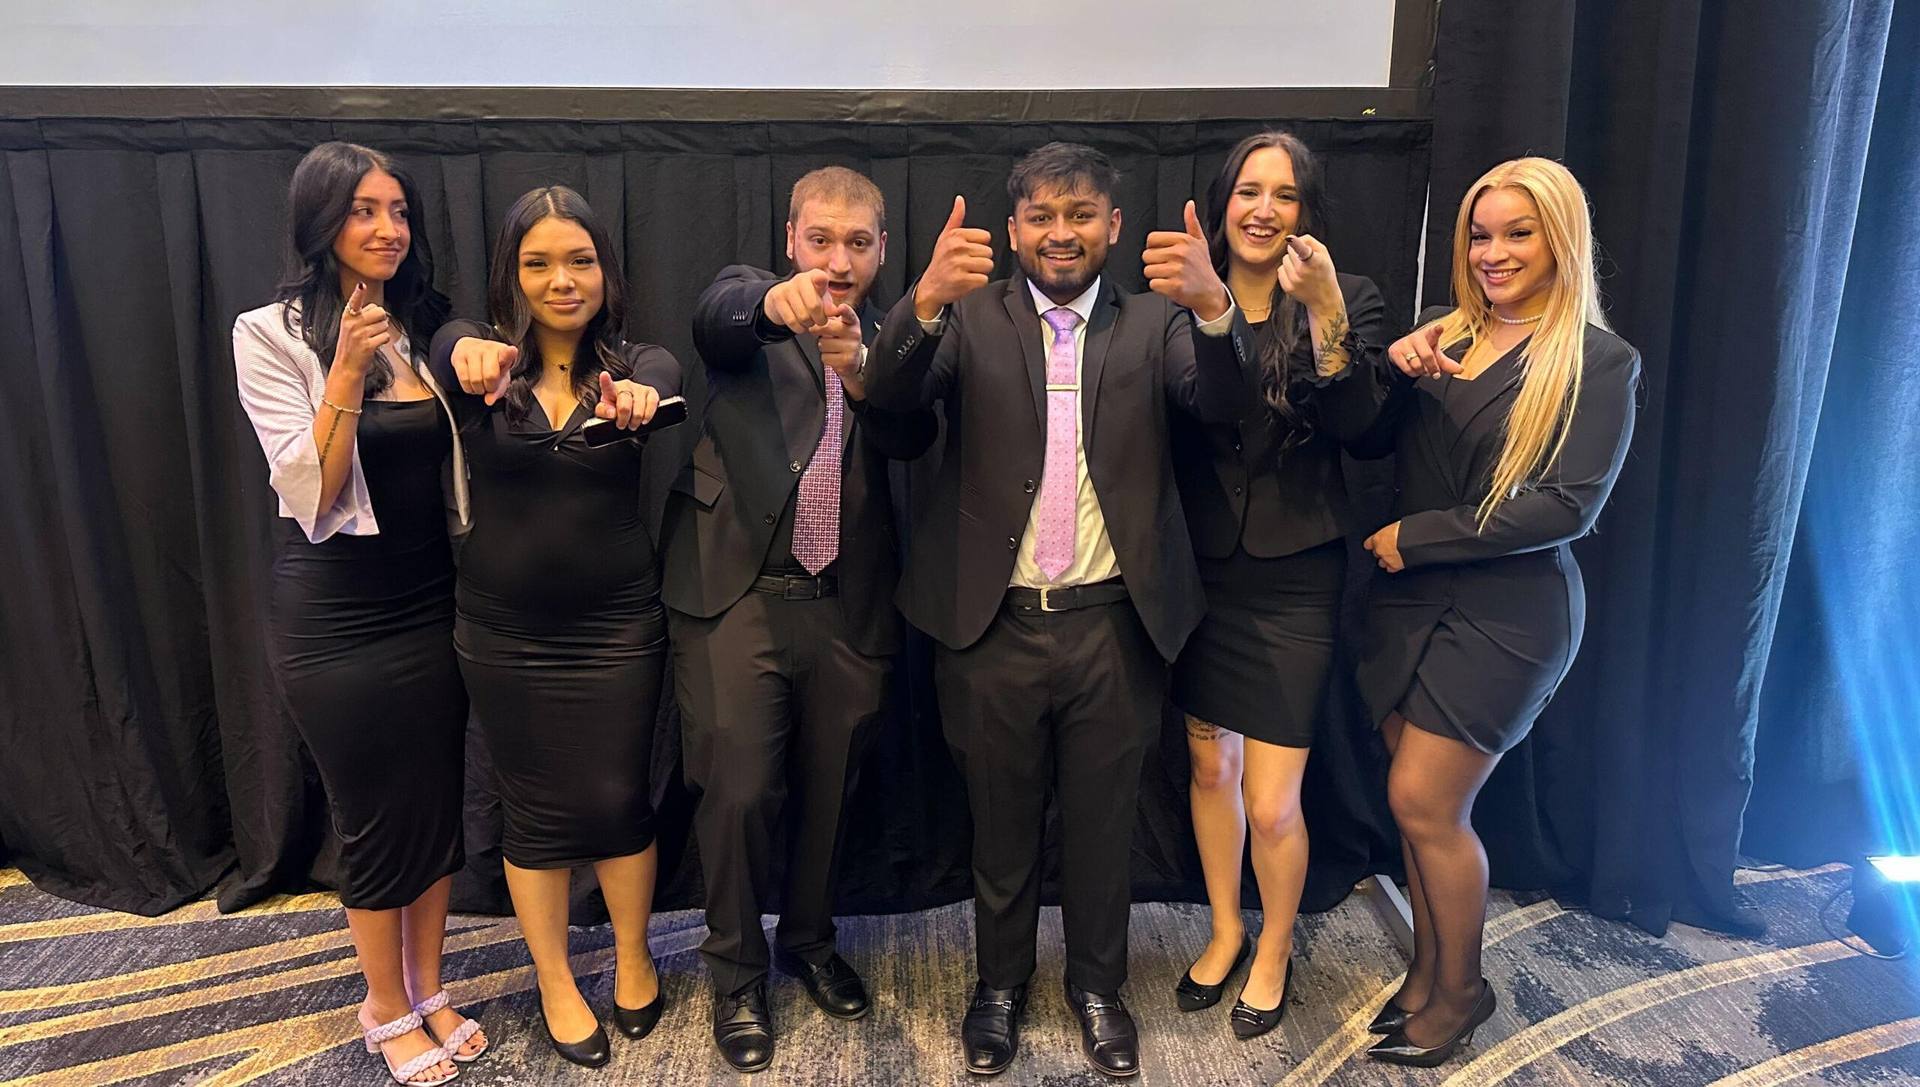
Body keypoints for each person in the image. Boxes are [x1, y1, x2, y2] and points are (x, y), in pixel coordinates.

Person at [863, 142, 1253, 1079]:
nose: (1061, 233)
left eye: (1080, 215)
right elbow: (892, 409)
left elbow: (1223, 407)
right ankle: (998, 986)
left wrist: (1215, 310)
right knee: (999, 827)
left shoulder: (1157, 320)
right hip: (990, 625)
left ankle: (1099, 988)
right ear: (1013, 230)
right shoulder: (970, 316)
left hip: (1113, 623)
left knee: (1102, 825)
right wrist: (922, 303)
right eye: (1041, 216)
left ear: (1113, 226)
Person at [1354, 156, 1640, 1067]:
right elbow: (1369, 441)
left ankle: (1462, 992)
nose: (1494, 252)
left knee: (1425, 801)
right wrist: (1397, 370)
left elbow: (1567, 507)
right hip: (1408, 603)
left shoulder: (1598, 360)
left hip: (1509, 613)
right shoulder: (1445, 332)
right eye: (1481, 234)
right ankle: (1428, 971)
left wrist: (1419, 535)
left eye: (1519, 233)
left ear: (1561, 241)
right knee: (1411, 805)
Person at [660, 166, 936, 1074]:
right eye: (821, 240)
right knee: (738, 790)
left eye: (857, 243)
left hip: (847, 605)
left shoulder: (895, 339)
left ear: (883, 249)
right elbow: (717, 317)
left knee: (832, 789)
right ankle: (736, 975)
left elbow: (912, 438)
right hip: (736, 593)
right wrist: (772, 306)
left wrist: (863, 374)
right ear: (790, 240)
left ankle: (809, 941)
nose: (838, 261)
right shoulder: (750, 303)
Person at [232, 141, 485, 1086]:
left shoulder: (421, 325)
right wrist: (342, 369)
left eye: (399, 210)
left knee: (434, 803)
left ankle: (428, 985)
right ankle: (383, 1003)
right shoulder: (268, 333)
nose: (387, 228)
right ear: (321, 221)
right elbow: (310, 492)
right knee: (375, 814)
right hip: (335, 615)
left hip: (431, 600)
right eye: (363, 210)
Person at [429, 186, 681, 1069]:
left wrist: (640, 398)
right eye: (537, 262)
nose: (561, 279)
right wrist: (464, 350)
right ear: (512, 273)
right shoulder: (480, 364)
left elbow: (663, 384)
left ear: (606, 270)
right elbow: (445, 340)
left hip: (618, 626)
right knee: (531, 811)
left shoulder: (641, 363)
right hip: (502, 632)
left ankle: (634, 954)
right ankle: (554, 977)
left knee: (619, 798)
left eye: (579, 260)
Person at [1168, 131, 1395, 1038]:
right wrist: (1209, 306)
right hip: (1201, 573)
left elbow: (1362, 425)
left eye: (1286, 194)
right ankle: (1226, 928)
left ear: (1307, 211)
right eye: (1249, 191)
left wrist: (1326, 307)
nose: (1264, 209)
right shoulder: (1184, 297)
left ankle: (1275, 943)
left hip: (1299, 578)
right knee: (1207, 766)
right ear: (1222, 201)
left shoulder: (1348, 295)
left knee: (1271, 800)